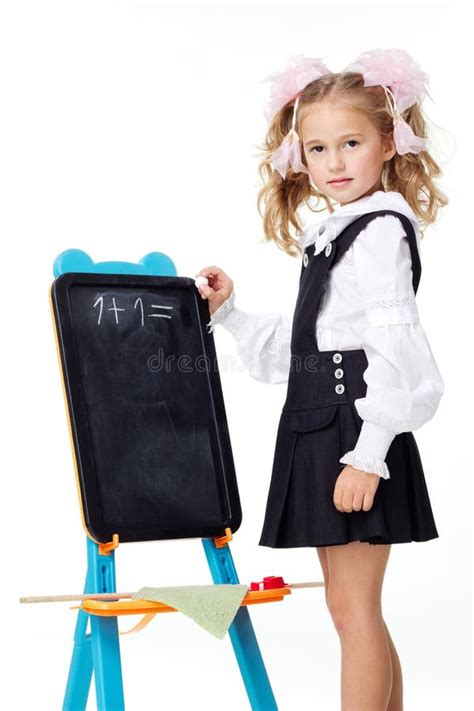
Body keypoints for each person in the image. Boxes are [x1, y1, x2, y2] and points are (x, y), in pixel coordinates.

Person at [196, 49, 446, 710]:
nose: (334, 162)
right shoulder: (332, 234)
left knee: (352, 608)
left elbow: (399, 349)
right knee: (352, 608)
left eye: (351, 143)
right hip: (319, 419)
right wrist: (232, 313)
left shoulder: (379, 231)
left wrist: (368, 455)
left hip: (353, 427)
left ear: (388, 142)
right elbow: (308, 347)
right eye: (318, 148)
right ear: (298, 157)